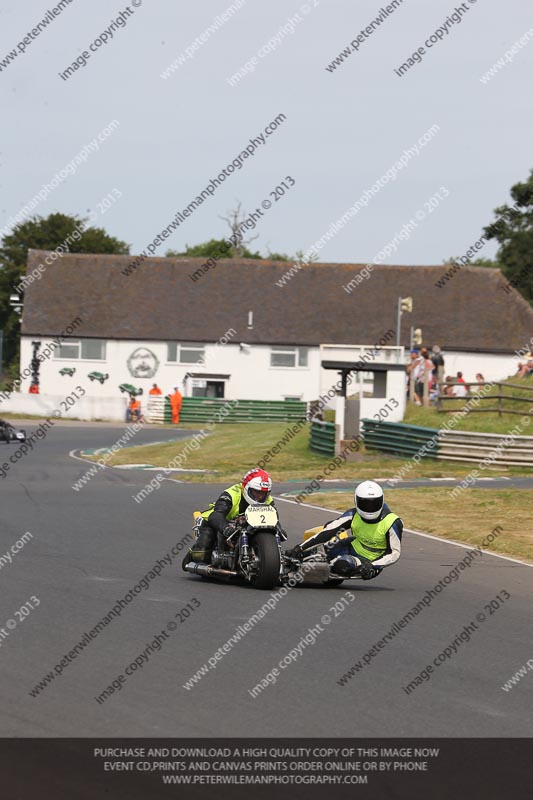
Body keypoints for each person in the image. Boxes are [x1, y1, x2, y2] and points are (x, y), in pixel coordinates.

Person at [285, 480, 403, 581]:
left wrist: (372, 565)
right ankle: (290, 563)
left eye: (374, 503)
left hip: (370, 561)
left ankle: (318, 570)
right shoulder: (353, 515)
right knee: (315, 550)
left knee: (342, 565)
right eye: (365, 503)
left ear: (381, 501)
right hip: (351, 546)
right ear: (356, 501)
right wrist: (299, 547)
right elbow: (328, 531)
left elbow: (394, 553)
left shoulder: (392, 522)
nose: (369, 508)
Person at [187, 468, 278, 564]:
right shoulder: (231, 494)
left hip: (248, 526)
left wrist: (278, 529)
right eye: (257, 492)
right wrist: (225, 528)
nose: (260, 497)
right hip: (221, 522)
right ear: (246, 488)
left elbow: (273, 516)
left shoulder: (267, 499)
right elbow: (216, 515)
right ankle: (195, 553)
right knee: (200, 555)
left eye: (263, 493)